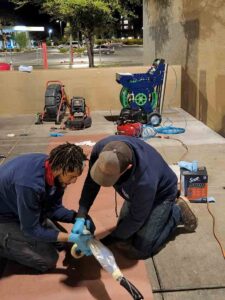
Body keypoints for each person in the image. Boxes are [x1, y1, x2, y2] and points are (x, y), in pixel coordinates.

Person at [72, 135, 198, 259]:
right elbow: (91, 183)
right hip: (135, 193)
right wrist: (81, 215)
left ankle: (177, 213)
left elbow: (137, 218)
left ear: (128, 167)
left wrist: (102, 243)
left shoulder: (145, 181)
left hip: (161, 195)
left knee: (139, 250)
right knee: (124, 238)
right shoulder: (101, 148)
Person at [0, 143, 94, 273]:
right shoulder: (29, 184)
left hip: (20, 208)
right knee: (47, 260)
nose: (74, 181)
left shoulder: (54, 171)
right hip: (4, 218)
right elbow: (31, 229)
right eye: (72, 176)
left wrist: (78, 218)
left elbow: (53, 209)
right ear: (61, 168)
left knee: (62, 243)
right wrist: (70, 237)